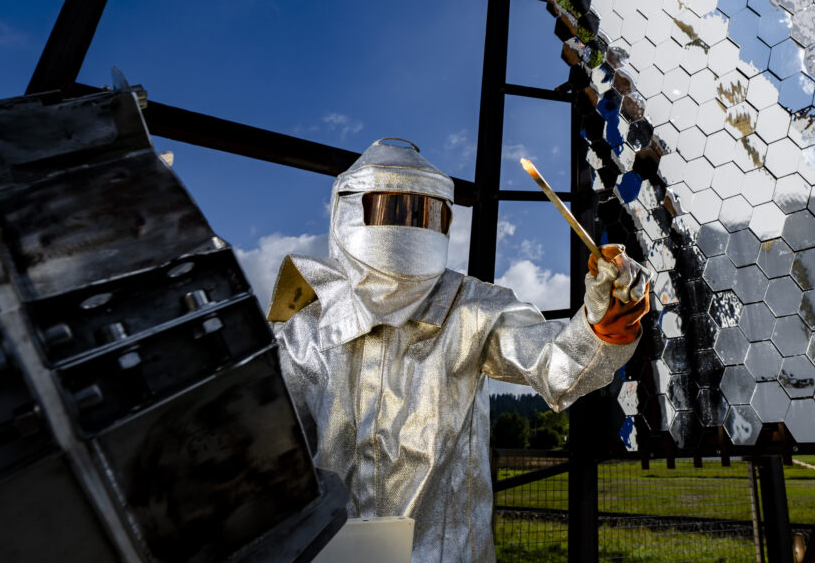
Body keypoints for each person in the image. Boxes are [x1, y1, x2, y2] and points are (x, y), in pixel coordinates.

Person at [266, 137, 649, 562]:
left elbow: (553, 361)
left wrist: (602, 319)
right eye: (391, 208)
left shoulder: (472, 310)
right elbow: (268, 451)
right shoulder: (307, 334)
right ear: (349, 212)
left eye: (424, 212)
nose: (410, 224)